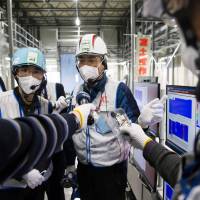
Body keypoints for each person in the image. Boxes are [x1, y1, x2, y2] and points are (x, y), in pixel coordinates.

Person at [120, 0, 200, 199]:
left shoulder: (119, 90)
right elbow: (189, 175)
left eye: (181, 12)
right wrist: (145, 141)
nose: (183, 27)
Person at [72, 33, 165, 200]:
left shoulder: (118, 90)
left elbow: (131, 129)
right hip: (84, 171)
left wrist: (142, 122)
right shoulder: (76, 92)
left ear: (103, 62)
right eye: (82, 60)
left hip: (111, 174)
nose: (86, 65)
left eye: (92, 59)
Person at [0, 47, 68, 200]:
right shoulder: (2, 102)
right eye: (24, 70)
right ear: (16, 73)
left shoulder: (45, 105)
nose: (30, 76)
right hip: (9, 187)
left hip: (37, 183)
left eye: (36, 71)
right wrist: (22, 171)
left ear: (43, 76)